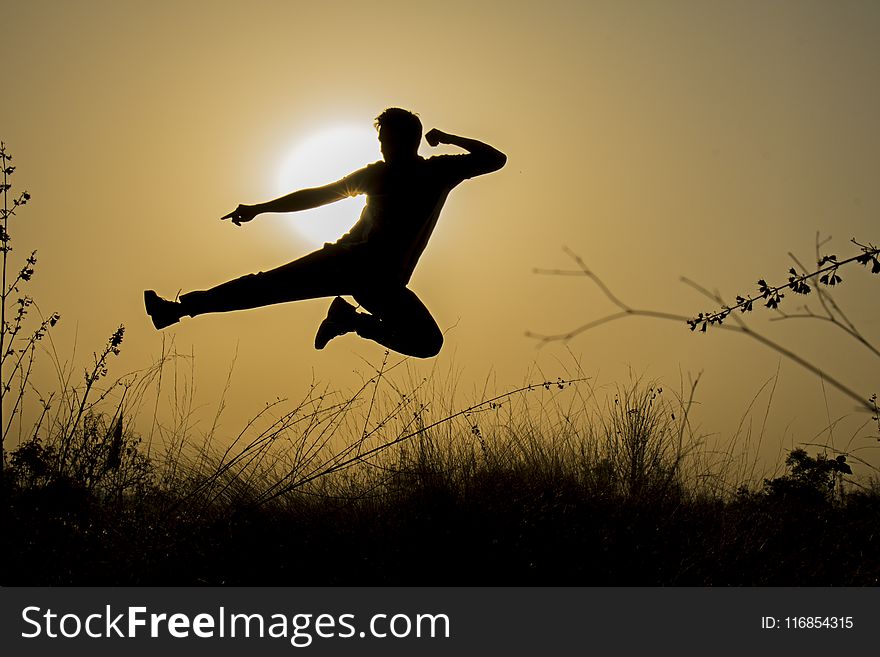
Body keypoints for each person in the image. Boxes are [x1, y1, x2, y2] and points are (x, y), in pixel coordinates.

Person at [144, 108, 506, 358]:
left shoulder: (433, 172)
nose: (380, 147)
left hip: (381, 283)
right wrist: (262, 208)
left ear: (400, 141)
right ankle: (176, 309)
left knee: (427, 343)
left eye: (384, 140)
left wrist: (446, 137)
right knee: (265, 287)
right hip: (348, 262)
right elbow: (317, 196)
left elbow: (496, 158)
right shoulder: (417, 173)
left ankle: (349, 320)